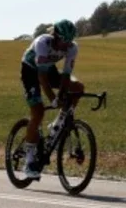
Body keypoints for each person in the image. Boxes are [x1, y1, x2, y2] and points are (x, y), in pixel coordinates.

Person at [18, 19, 85, 179]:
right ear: (55, 36)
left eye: (70, 41)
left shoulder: (72, 48)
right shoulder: (42, 42)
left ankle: (58, 123)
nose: (66, 45)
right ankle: (29, 158)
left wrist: (62, 94)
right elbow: (41, 77)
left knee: (77, 88)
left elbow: (67, 75)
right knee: (38, 112)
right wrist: (53, 99)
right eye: (64, 40)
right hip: (30, 71)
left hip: (48, 69)